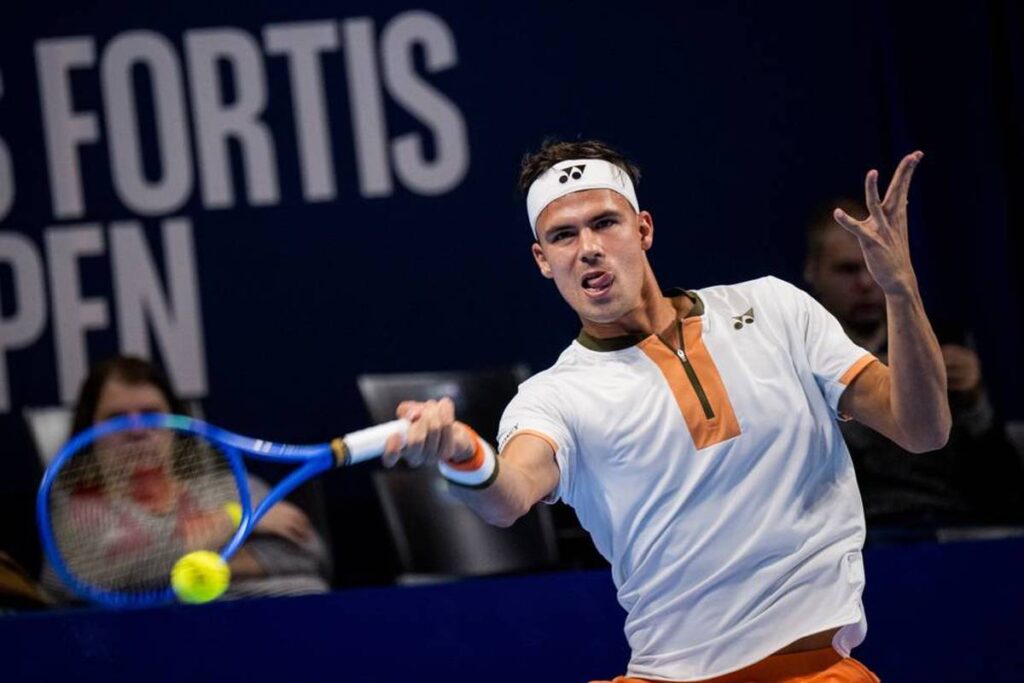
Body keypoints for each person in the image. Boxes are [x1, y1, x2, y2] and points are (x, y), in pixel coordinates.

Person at [382, 139, 951, 682]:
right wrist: (463, 453)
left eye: (605, 223)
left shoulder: (775, 309)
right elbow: (508, 497)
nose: (588, 247)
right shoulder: (552, 397)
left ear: (643, 229)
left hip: (814, 671)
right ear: (543, 260)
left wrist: (901, 291)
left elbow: (922, 428)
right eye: (563, 235)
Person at [41, 355, 331, 603]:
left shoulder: (231, 486)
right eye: (117, 418)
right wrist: (231, 521)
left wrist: (200, 567)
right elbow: (71, 580)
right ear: (89, 432)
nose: (138, 430)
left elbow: (311, 553)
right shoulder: (80, 508)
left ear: (176, 425)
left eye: (151, 414)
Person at [804, 203, 1024, 527]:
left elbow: (1003, 486)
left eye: (872, 264)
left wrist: (975, 402)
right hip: (860, 532)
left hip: (955, 524)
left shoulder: (938, 341)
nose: (865, 283)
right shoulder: (801, 355)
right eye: (847, 270)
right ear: (813, 271)